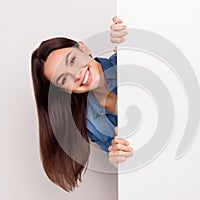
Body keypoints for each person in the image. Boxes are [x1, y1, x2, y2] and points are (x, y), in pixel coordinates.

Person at [31, 17, 132, 192]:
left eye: (71, 60)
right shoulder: (88, 122)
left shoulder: (127, 58)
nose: (75, 75)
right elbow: (132, 158)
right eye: (63, 79)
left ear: (83, 48)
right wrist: (119, 159)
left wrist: (133, 39)